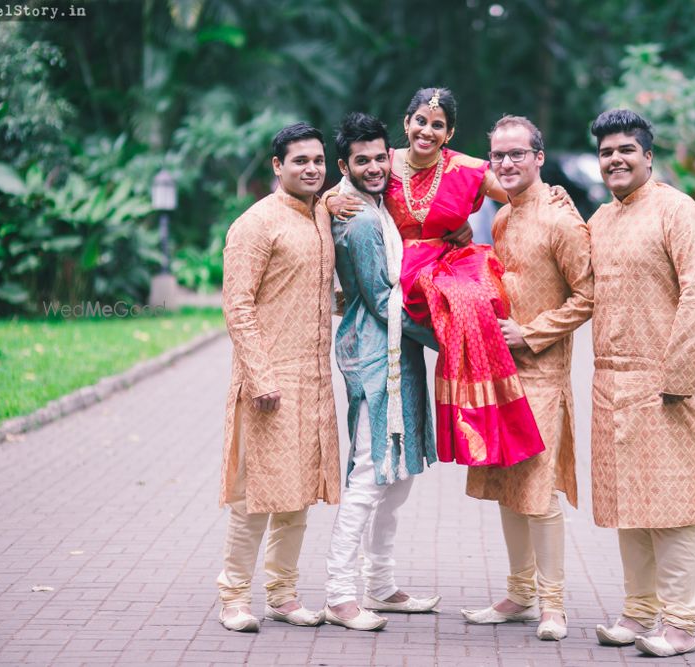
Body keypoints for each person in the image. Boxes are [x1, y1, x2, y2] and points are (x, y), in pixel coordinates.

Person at [325, 87, 571, 470]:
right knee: (461, 331)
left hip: (444, 263)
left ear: (449, 133)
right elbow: (345, 183)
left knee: (478, 309)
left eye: (437, 125)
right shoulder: (383, 162)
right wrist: (328, 200)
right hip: (394, 269)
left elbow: (519, 191)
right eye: (420, 121)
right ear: (406, 124)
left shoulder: (466, 169)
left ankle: (494, 429)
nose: (427, 130)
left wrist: (556, 194)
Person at [586, 109, 695, 657]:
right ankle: (638, 611)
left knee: (672, 507)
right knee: (629, 504)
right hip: (612, 387)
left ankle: (681, 623)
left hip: (670, 385)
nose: (615, 159)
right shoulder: (600, 220)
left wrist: (675, 374)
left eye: (626, 149)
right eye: (606, 152)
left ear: (648, 155)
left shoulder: (678, 211)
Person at [461, 116, 593, 641]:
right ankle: (519, 594)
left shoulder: (563, 222)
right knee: (508, 487)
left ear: (539, 157)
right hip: (498, 374)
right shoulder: (501, 220)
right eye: (499, 156)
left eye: (518, 154)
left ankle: (553, 605)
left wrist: (533, 333)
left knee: (539, 490)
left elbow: (588, 294)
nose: (507, 164)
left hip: (542, 373)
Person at [217, 122, 340, 632]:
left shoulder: (324, 215)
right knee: (255, 495)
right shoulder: (255, 224)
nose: (311, 169)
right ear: (277, 166)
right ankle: (234, 596)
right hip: (269, 381)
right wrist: (260, 377)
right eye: (300, 161)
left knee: (298, 494)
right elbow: (237, 305)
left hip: (315, 380)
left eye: (317, 161)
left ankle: (284, 593)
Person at [323, 112, 442, 631]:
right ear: (344, 165)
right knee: (372, 473)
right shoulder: (364, 217)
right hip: (376, 355)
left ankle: (382, 586)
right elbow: (382, 299)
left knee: (397, 479)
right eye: (361, 161)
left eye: (379, 158)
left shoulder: (375, 202)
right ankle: (339, 593)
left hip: (396, 351)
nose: (373, 167)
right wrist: (451, 334)